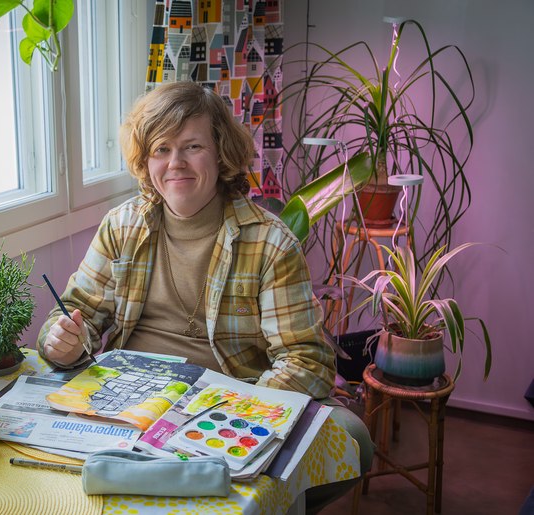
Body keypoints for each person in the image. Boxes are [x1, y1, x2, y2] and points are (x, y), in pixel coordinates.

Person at [37, 81, 374, 514]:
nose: (175, 163)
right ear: (145, 160)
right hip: (133, 398)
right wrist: (61, 342)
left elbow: (306, 359)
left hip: (232, 402)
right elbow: (73, 314)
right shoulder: (121, 226)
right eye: (160, 149)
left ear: (220, 154)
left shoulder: (270, 242)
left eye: (192, 146)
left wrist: (236, 411)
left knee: (351, 437)